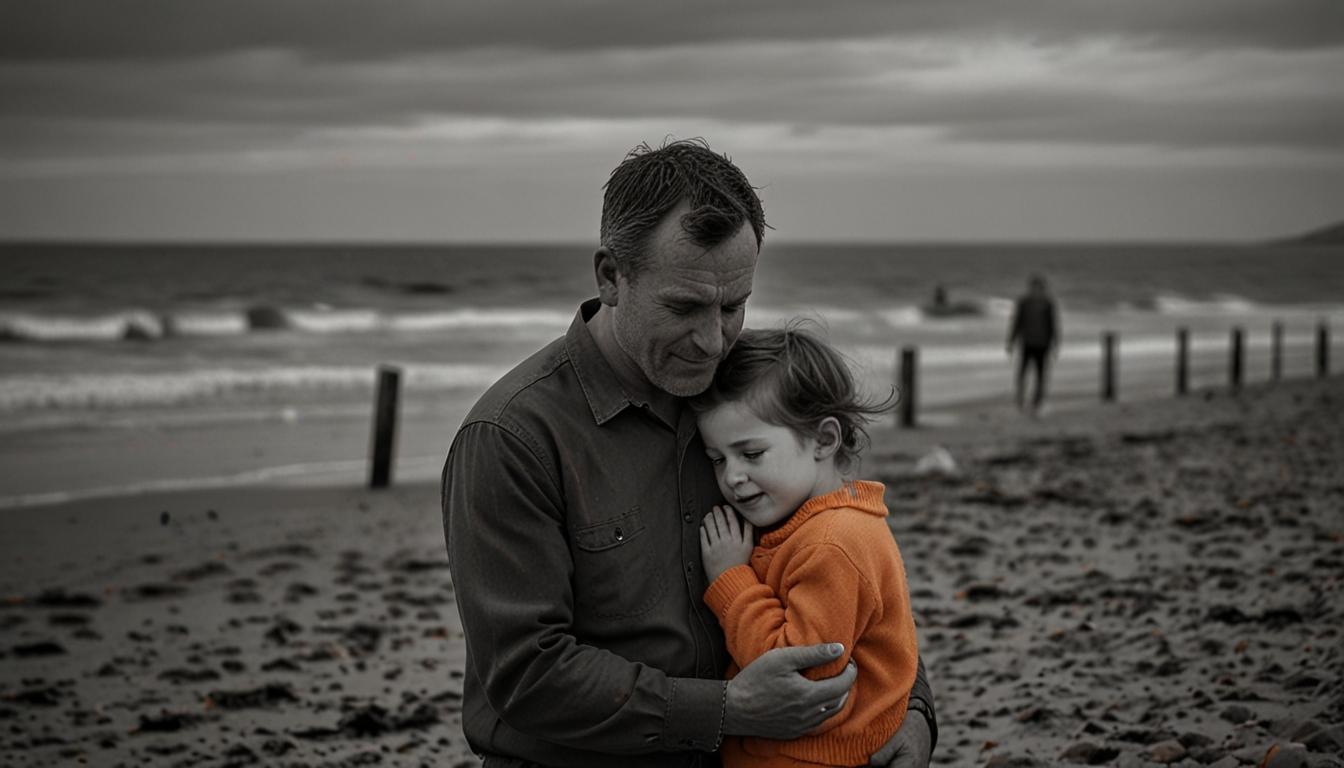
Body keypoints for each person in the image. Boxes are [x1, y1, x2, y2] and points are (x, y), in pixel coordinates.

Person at [442, 139, 936, 768]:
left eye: (735, 307)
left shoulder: (747, 397)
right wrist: (729, 709)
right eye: (684, 307)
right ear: (611, 277)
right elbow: (526, 675)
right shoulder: (512, 438)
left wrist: (913, 713)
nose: (711, 340)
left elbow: (852, 575)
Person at [692, 324, 918, 768]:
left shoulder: (834, 543)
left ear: (824, 440)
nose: (732, 477)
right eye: (718, 460)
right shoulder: (806, 524)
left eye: (751, 454)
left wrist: (731, 581)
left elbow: (801, 677)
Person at [1006, 274, 1059, 413]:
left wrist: (1055, 343)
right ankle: (1020, 399)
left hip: (1043, 344)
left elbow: (1053, 325)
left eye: (1039, 286)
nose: (1036, 289)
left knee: (1040, 374)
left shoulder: (1048, 303)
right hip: (1027, 343)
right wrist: (1011, 341)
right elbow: (1016, 322)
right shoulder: (1023, 302)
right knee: (1022, 372)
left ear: (1043, 288)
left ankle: (1037, 401)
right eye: (1034, 286)